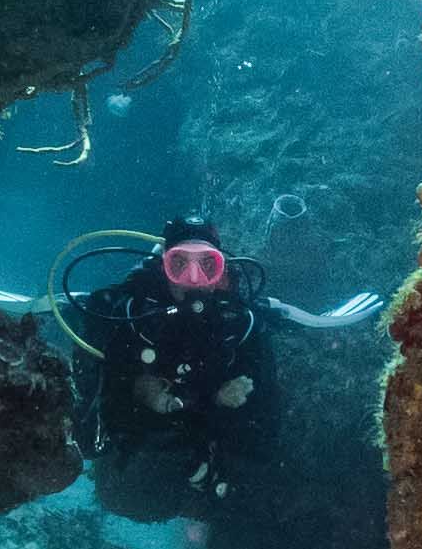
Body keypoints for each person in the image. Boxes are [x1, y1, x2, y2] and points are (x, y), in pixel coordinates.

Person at [67, 219, 281, 517]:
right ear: (162, 267)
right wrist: (139, 391)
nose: (193, 279)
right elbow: (106, 397)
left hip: (203, 446)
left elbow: (264, 426)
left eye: (208, 265)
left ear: (222, 270)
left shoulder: (239, 324)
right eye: (179, 263)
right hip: (138, 454)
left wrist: (225, 401)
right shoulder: (133, 316)